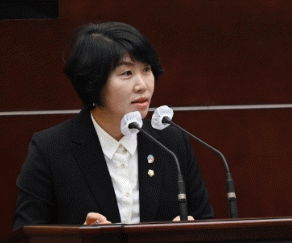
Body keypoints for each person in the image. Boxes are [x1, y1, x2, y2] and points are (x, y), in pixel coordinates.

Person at [13, 22, 214, 230]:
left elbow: (205, 222)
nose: (142, 85)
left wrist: (189, 232)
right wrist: (78, 237)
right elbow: (27, 235)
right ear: (93, 81)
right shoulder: (51, 149)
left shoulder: (172, 142)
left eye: (146, 70)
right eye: (127, 73)